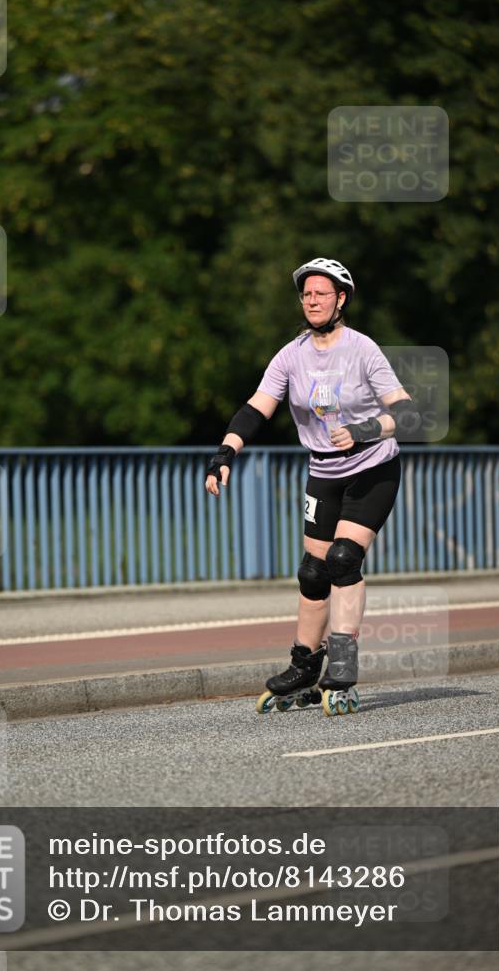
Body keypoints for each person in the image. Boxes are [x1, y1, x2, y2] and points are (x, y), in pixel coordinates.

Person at [205, 257, 421, 716]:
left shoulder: (362, 349)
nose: (313, 300)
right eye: (307, 294)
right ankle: (304, 666)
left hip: (372, 468)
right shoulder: (292, 355)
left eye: (322, 293)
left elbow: (406, 412)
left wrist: (364, 429)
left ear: (341, 299)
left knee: (344, 559)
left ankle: (341, 668)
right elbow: (255, 409)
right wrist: (224, 454)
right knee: (312, 571)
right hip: (323, 471)